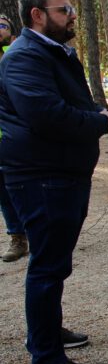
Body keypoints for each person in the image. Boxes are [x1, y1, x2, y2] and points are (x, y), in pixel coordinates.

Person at [0, 0, 108, 364]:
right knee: (47, 266)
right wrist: (100, 123)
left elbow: (71, 101)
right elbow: (48, 116)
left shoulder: (50, 51)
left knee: (53, 261)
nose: (73, 15)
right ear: (38, 15)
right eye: (65, 9)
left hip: (61, 174)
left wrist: (99, 113)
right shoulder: (23, 57)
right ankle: (45, 360)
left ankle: (47, 332)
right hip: (42, 176)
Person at [0, 14, 27, 263]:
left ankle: (35, 232)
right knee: (3, 191)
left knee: (22, 187)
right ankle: (17, 236)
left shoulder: (18, 53)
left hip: (18, 137)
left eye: (2, 25)